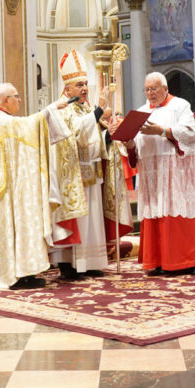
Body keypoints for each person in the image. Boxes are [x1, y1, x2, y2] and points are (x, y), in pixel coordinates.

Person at [0, 83, 72, 290]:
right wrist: (50, 109)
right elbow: (24, 126)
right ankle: (14, 274)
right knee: (13, 226)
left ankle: (26, 271)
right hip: (6, 189)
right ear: (6, 100)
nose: (19, 100)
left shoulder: (5, 119)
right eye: (16, 96)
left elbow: (23, 127)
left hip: (17, 184)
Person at [125, 73, 195, 276]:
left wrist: (162, 131)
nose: (150, 93)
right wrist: (130, 144)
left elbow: (190, 135)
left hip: (176, 170)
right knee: (156, 213)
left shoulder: (180, 106)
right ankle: (158, 260)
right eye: (147, 89)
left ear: (165, 88)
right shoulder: (140, 112)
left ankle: (186, 260)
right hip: (152, 172)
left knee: (178, 210)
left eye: (154, 89)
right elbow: (135, 147)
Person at [47, 50, 115, 280]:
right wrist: (98, 111)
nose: (85, 88)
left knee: (92, 220)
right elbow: (77, 133)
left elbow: (93, 136)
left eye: (86, 84)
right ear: (67, 90)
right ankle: (70, 264)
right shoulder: (63, 108)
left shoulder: (86, 109)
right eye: (79, 84)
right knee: (79, 220)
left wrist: (109, 135)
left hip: (91, 172)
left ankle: (89, 262)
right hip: (72, 176)